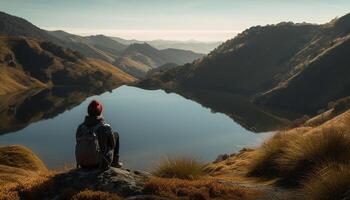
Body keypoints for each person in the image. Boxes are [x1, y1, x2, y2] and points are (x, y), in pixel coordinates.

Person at [75, 100, 122, 170]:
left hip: (82, 164)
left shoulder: (80, 127)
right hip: (100, 164)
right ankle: (115, 162)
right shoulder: (105, 127)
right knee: (116, 135)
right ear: (100, 112)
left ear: (88, 112)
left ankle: (85, 162)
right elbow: (112, 146)